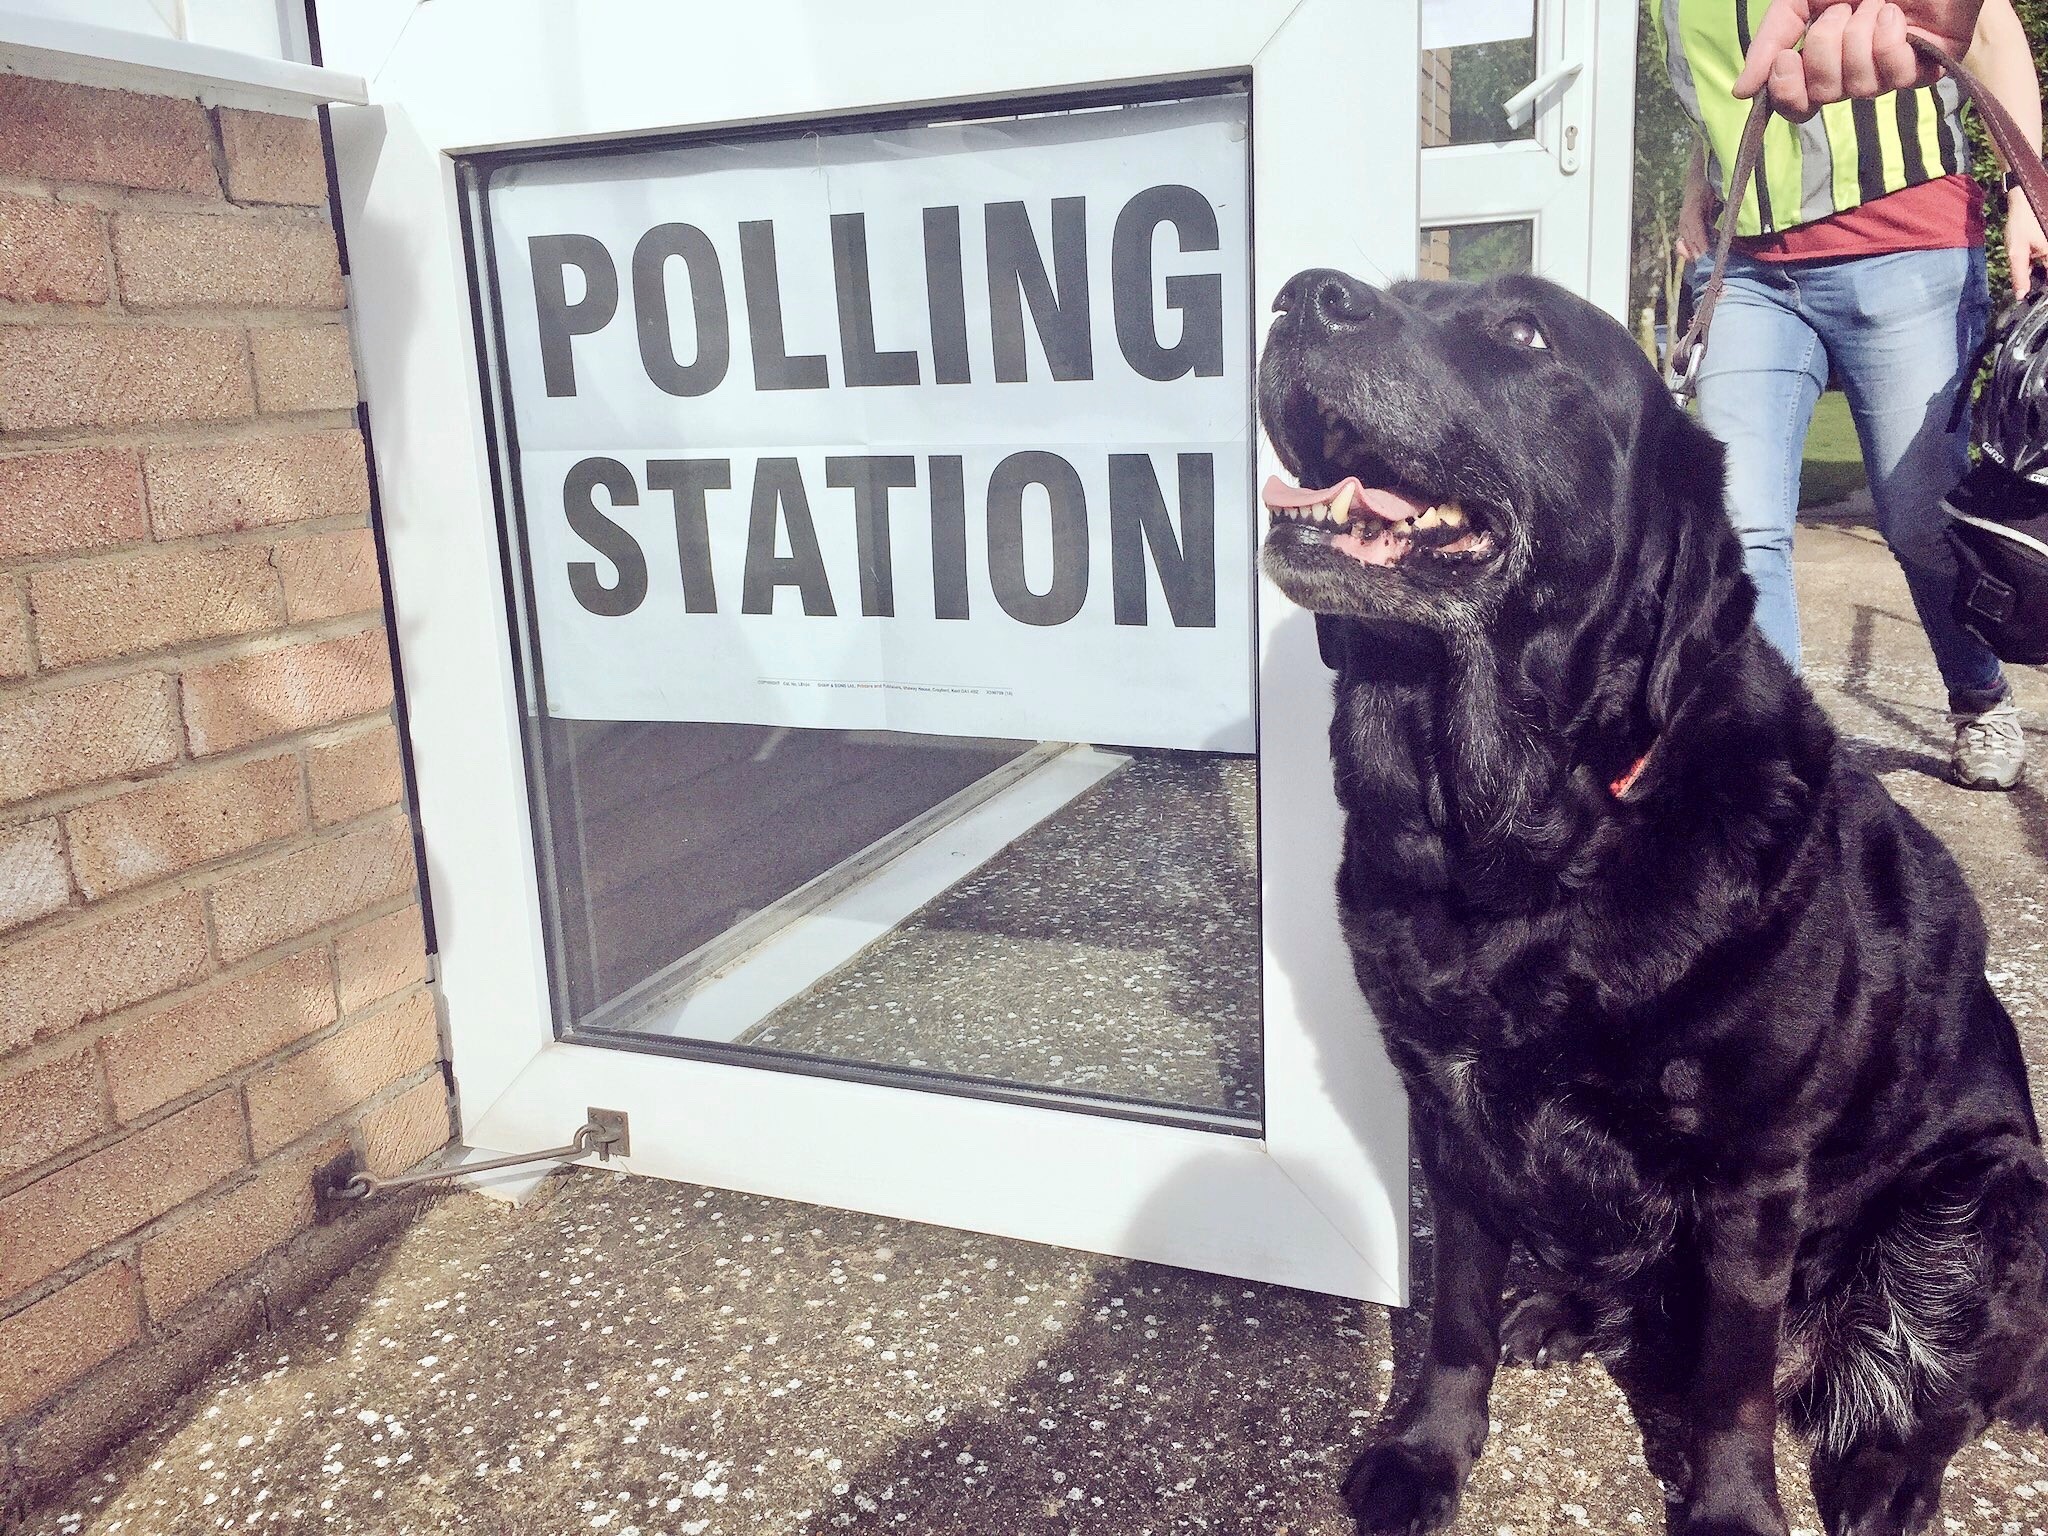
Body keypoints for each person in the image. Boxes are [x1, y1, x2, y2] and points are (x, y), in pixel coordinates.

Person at [1659, 0, 2044, 788]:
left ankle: (1978, 695)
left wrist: (2023, 192)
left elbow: (1992, 26)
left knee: (1920, 521)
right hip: (1748, 268)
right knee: (1741, 525)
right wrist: (1696, 189)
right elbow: (1719, 97)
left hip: (1904, 246)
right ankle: (1771, 757)